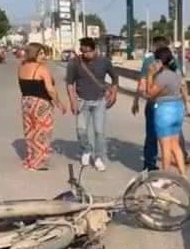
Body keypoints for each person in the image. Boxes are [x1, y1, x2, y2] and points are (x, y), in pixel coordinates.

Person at [133, 36, 190, 171]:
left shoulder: (150, 62)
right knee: (175, 138)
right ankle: (181, 162)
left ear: (155, 47)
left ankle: (151, 165)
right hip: (175, 106)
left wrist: (136, 100)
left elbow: (145, 88)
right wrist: (187, 105)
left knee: (155, 137)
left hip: (158, 106)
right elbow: (183, 84)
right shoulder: (173, 62)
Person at [66, 37, 119, 172]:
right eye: (82, 51)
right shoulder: (74, 63)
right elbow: (70, 84)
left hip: (99, 101)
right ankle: (86, 150)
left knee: (99, 132)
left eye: (88, 51)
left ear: (94, 49)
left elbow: (115, 77)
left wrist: (114, 93)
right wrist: (72, 102)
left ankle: (99, 158)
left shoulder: (104, 61)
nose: (85, 55)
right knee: (81, 130)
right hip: (82, 101)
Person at [17, 43, 67, 171]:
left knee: (30, 131)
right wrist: (59, 103)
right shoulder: (41, 69)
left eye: (44, 53)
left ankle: (31, 159)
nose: (44, 56)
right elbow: (50, 89)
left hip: (26, 101)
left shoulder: (21, 67)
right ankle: (39, 162)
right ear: (34, 54)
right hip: (41, 103)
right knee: (43, 132)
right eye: (41, 53)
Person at [143, 47, 187, 176]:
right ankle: (183, 174)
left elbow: (150, 94)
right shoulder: (176, 74)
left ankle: (165, 177)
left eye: (155, 60)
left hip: (165, 111)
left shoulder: (162, 77)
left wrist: (150, 74)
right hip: (177, 109)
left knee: (165, 146)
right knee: (175, 145)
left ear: (160, 62)